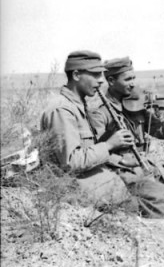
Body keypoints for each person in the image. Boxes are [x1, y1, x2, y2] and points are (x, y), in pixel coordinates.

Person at [89, 57, 164, 219]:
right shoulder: (99, 113)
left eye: (133, 78)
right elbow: (93, 150)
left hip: (144, 167)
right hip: (122, 173)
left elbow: (162, 132)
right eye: (128, 79)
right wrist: (121, 161)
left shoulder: (135, 104)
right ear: (111, 80)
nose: (133, 83)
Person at [40, 51, 137, 209]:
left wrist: (120, 161)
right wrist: (109, 145)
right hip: (73, 190)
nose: (101, 81)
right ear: (77, 75)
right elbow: (71, 162)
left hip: (91, 183)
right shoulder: (62, 110)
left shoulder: (79, 106)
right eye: (96, 75)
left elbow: (87, 150)